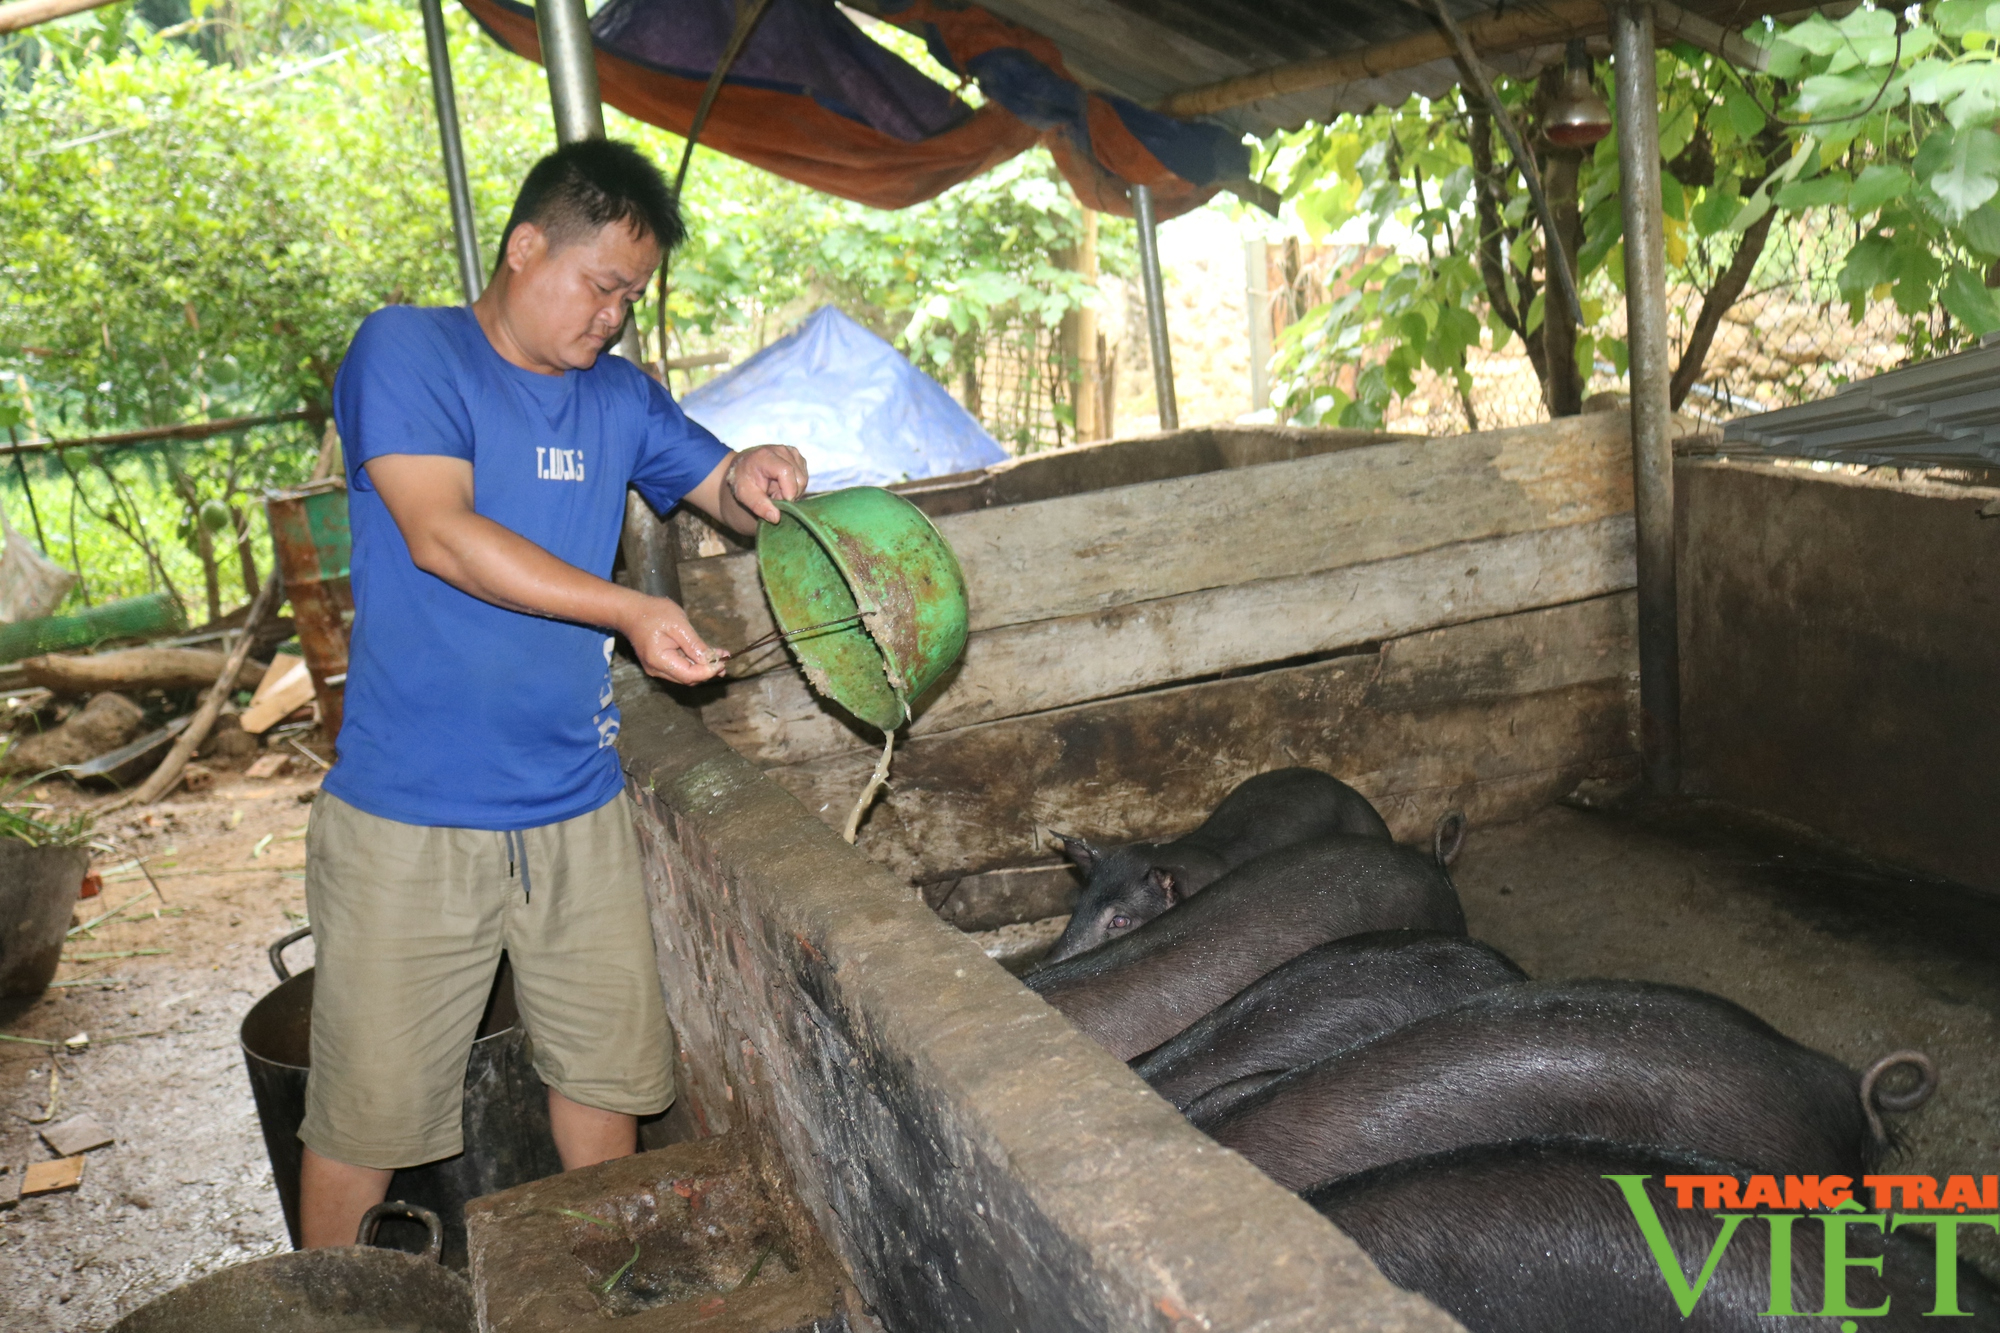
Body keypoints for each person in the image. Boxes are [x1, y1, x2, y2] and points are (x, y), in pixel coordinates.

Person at [297, 139, 807, 1246]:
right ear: (526, 247)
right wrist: (627, 609)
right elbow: (442, 536)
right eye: (602, 285)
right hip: (410, 811)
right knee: (366, 1110)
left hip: (574, 803)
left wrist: (758, 470)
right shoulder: (409, 351)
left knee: (605, 1071)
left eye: (632, 296)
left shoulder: (619, 396)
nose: (614, 316)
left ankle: (609, 1282)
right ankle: (322, 1306)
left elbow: (719, 485)